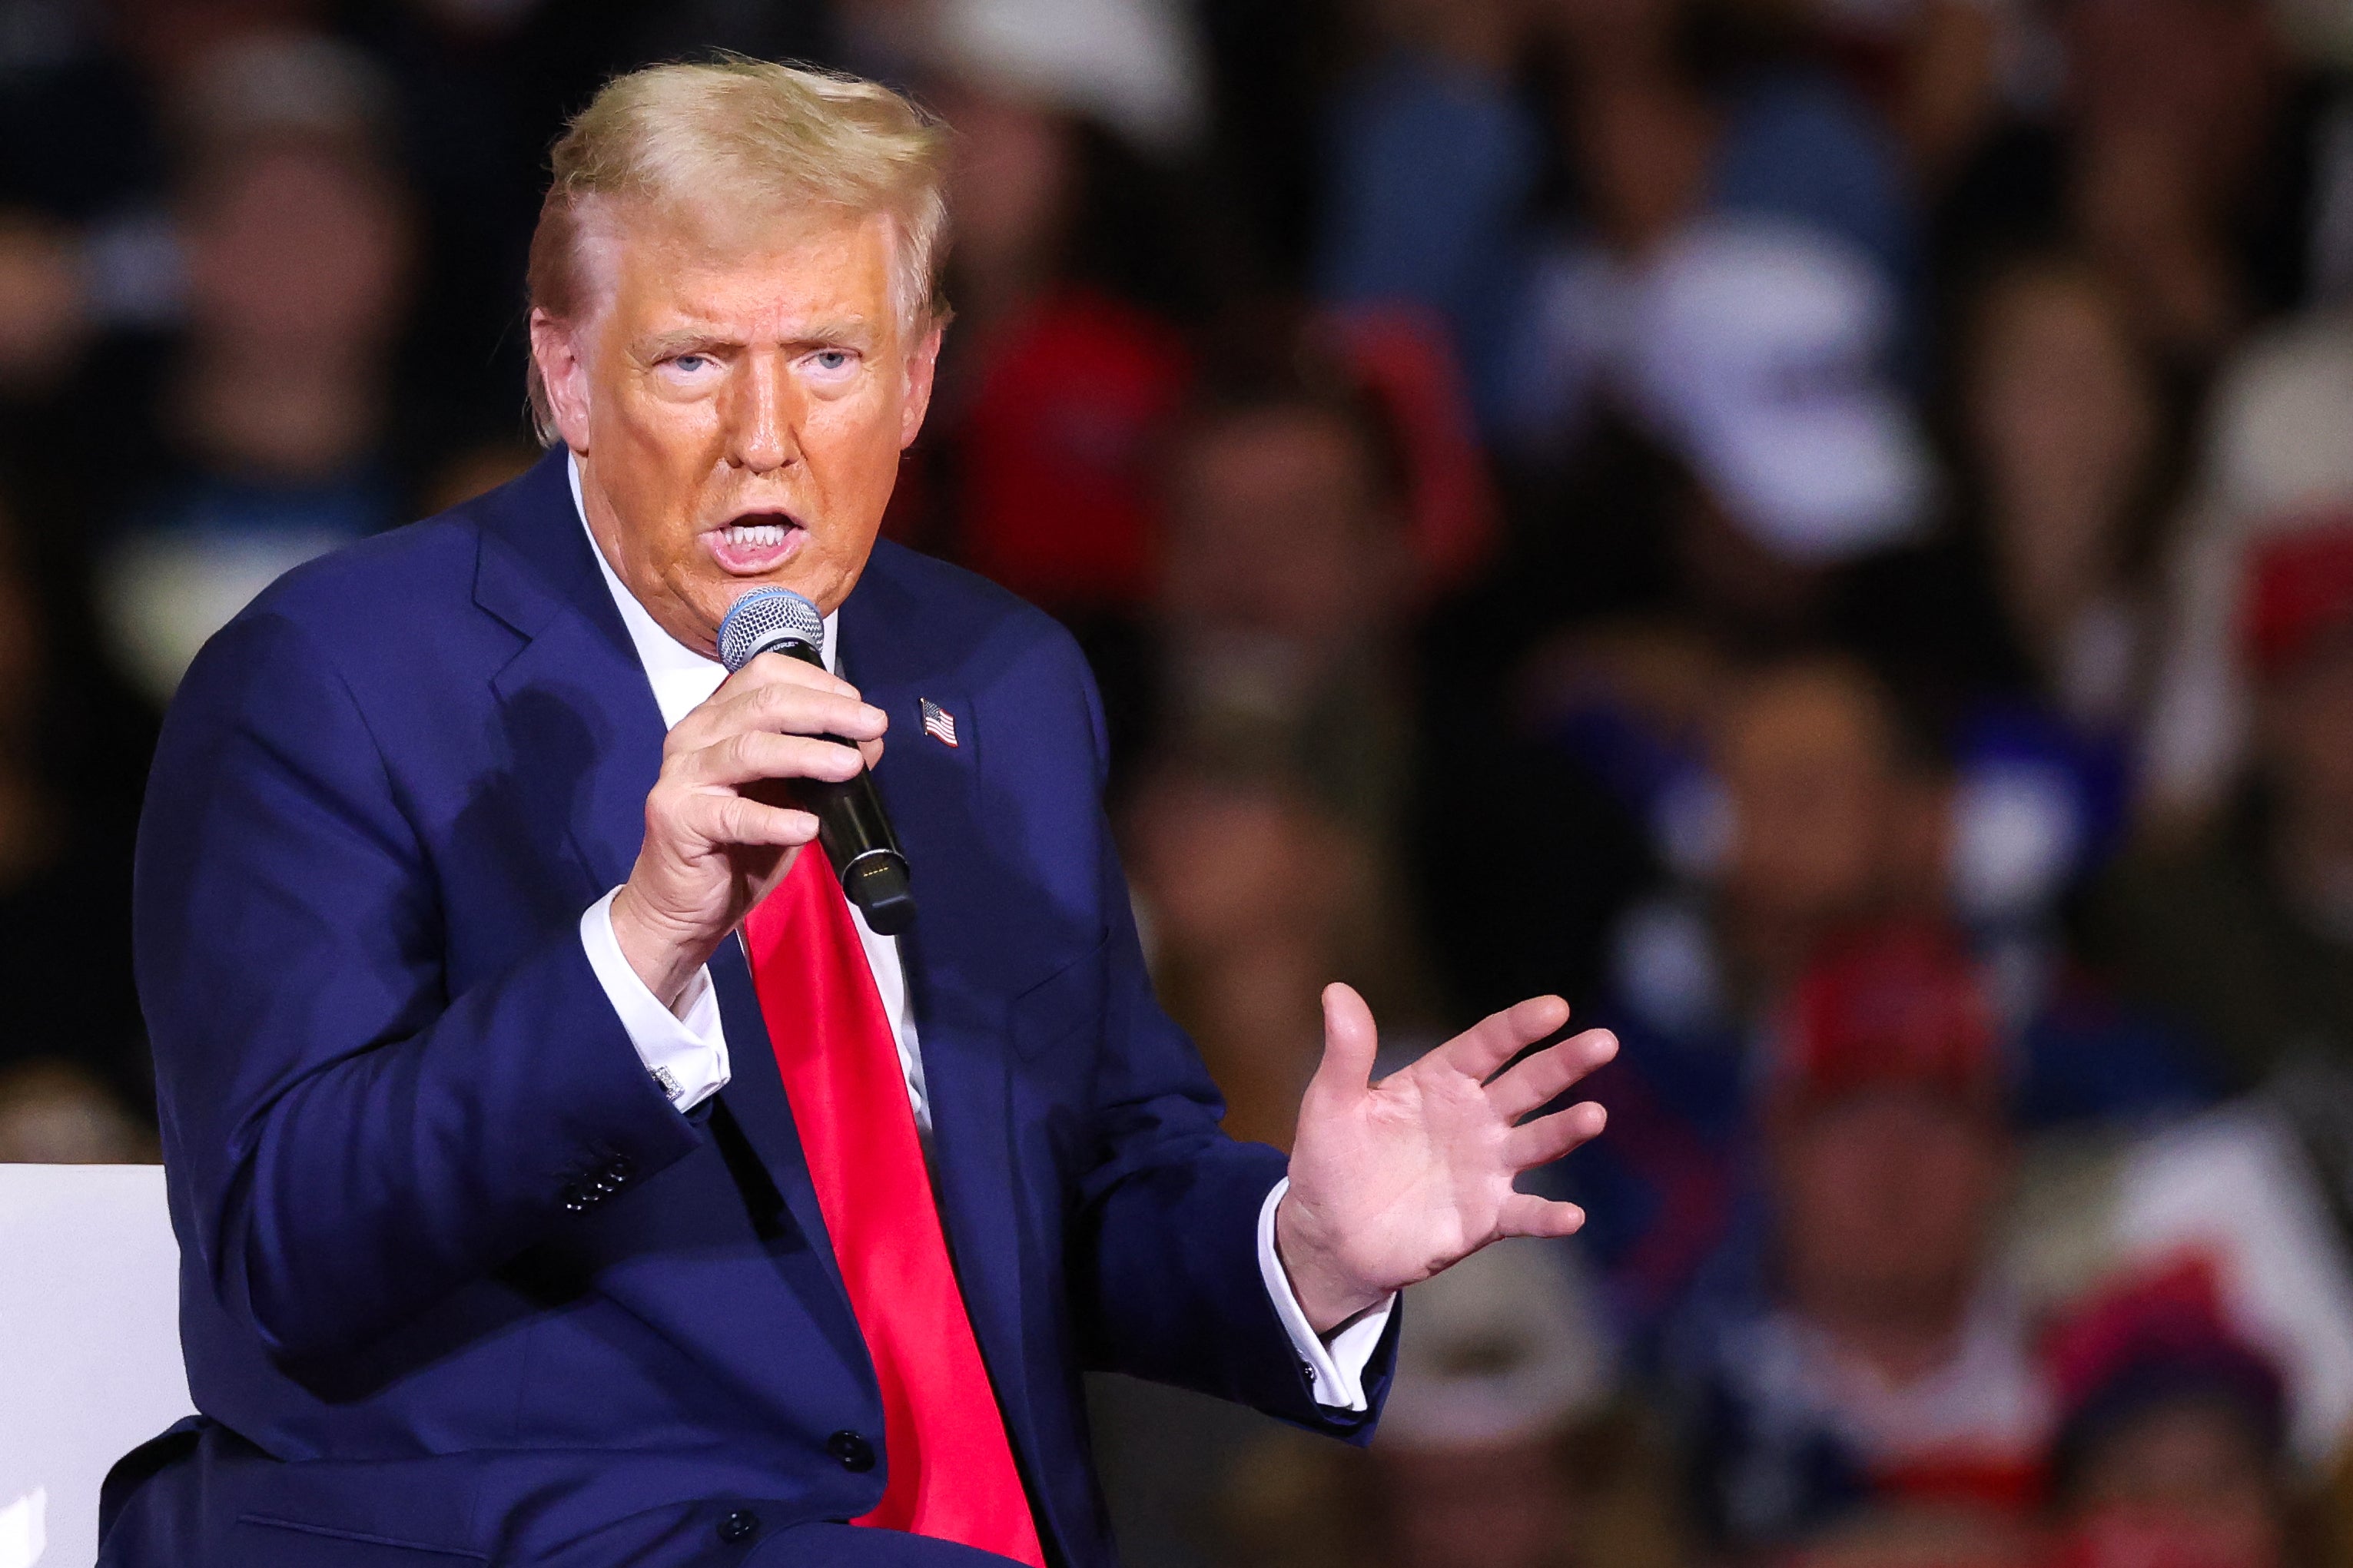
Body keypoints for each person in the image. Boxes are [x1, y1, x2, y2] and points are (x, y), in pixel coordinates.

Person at [101, 59, 1618, 1568]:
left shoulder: (1000, 679)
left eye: (827, 359)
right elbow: (283, 1252)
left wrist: (1301, 1245)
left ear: (916, 378)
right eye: (693, 362)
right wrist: (637, 957)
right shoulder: (334, 678)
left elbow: (1082, 1187)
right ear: (565, 372)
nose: (765, 436)